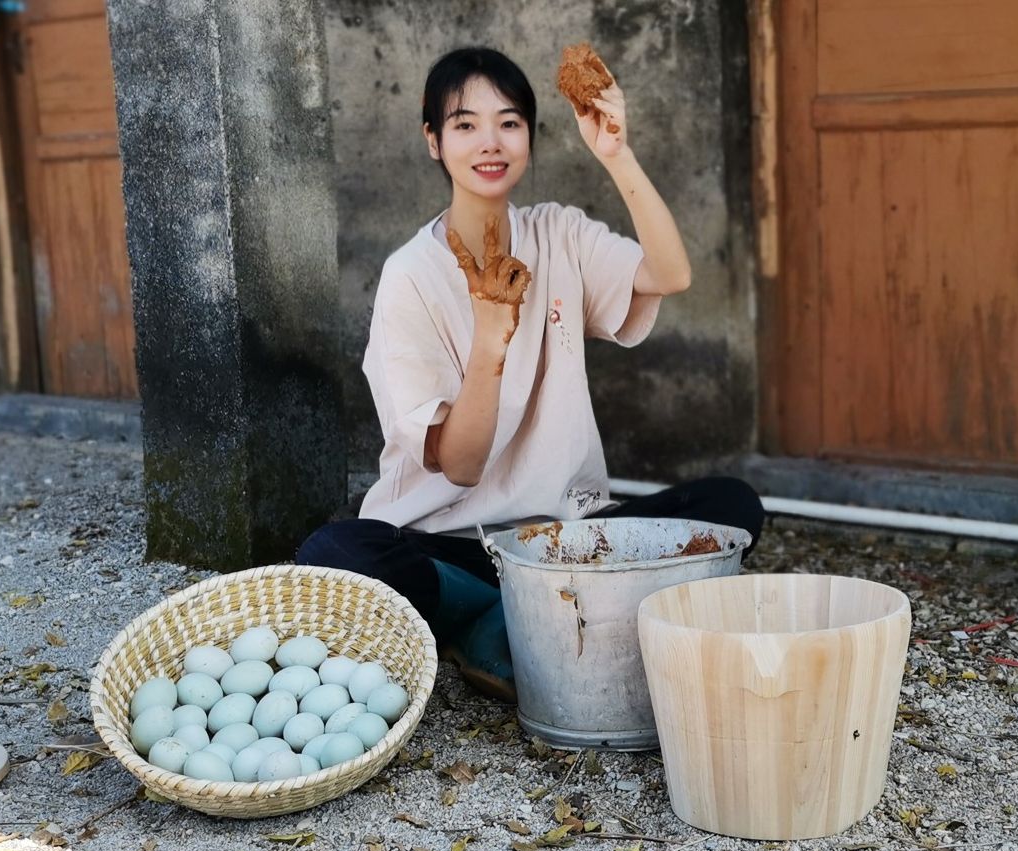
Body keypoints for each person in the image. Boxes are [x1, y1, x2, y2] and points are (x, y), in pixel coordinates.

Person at [297, 46, 764, 701]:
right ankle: (516, 616)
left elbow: (670, 275)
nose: (489, 141)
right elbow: (459, 466)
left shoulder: (558, 233)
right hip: (449, 541)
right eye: (464, 124)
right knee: (338, 555)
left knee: (728, 508)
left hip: (567, 540)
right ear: (432, 141)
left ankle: (522, 618)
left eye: (508, 122)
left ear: (529, 137)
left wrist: (615, 153)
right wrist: (491, 340)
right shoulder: (411, 276)